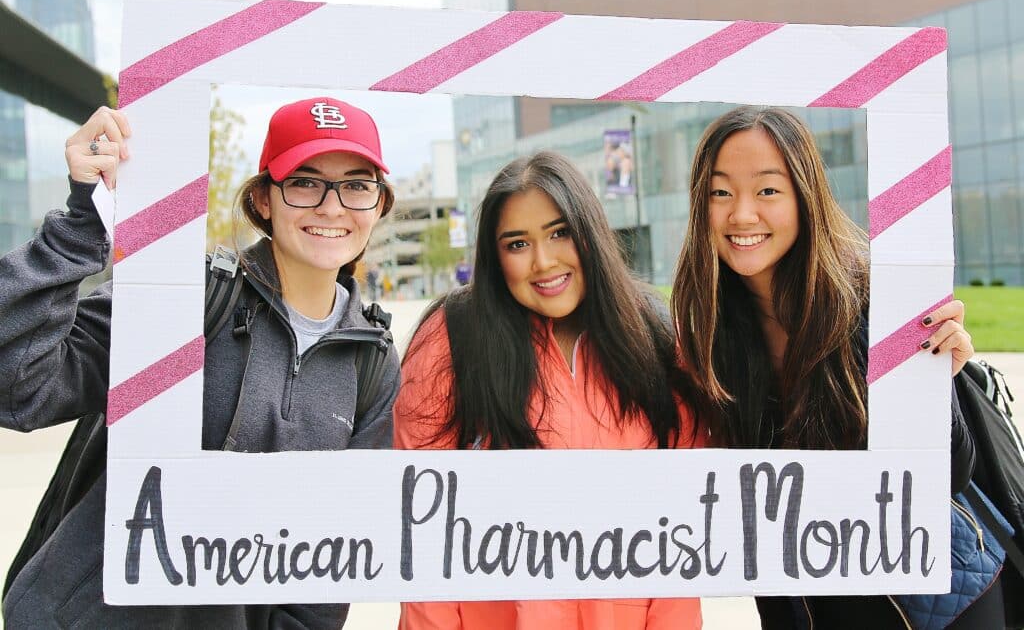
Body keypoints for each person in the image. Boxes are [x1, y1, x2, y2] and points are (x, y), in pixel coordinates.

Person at [1, 97, 400, 628]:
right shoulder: (183, 297)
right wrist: (79, 223)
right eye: (304, 182)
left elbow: (334, 560)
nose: (332, 207)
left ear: (379, 204)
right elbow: (19, 385)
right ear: (262, 199)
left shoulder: (372, 361)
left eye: (357, 184)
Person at [670, 105, 1000, 629]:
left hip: (934, 601)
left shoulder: (871, 300)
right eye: (720, 192)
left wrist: (938, 377)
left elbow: (951, 472)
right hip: (807, 609)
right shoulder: (707, 334)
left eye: (768, 190)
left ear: (806, 196)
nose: (741, 214)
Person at [394, 151, 707, 630]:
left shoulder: (656, 336)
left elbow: (682, 527)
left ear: (591, 232)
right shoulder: (452, 337)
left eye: (560, 233)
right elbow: (424, 528)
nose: (543, 262)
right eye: (517, 244)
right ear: (495, 256)